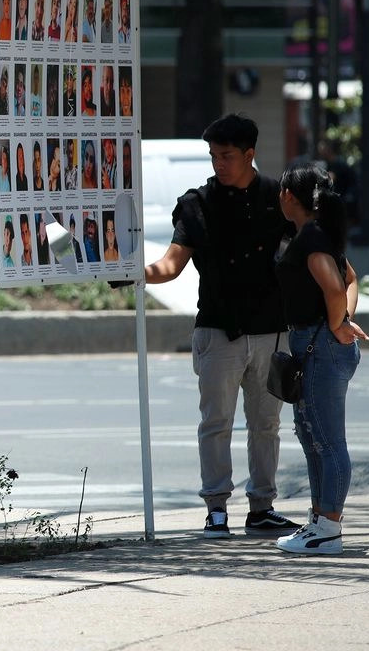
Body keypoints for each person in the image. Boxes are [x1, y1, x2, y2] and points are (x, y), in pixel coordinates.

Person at [142, 113, 300, 540]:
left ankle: (262, 507)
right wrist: (138, 272)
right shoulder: (198, 203)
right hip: (218, 328)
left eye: (227, 156)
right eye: (213, 156)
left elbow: (307, 250)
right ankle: (216, 510)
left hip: (271, 329)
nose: (219, 164)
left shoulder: (278, 198)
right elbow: (171, 265)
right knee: (216, 423)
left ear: (250, 154)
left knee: (266, 424)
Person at [273, 164, 369, 555]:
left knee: (327, 442)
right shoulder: (317, 233)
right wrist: (341, 321)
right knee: (313, 436)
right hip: (319, 342)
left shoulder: (311, 238)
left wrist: (338, 322)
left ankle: (328, 528)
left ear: (289, 197)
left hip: (319, 345)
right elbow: (350, 279)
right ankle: (319, 521)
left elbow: (335, 286)